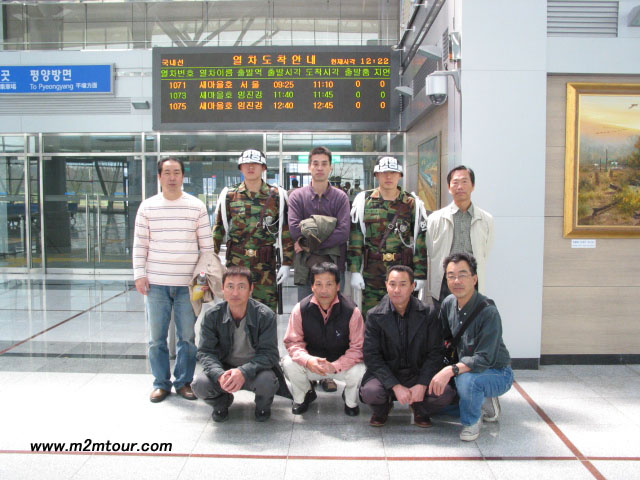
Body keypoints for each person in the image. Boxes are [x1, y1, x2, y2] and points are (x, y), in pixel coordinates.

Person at [133, 157, 214, 403]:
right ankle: (160, 383)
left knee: (187, 337)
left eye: (176, 172)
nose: (172, 177)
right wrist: (139, 274)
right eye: (167, 172)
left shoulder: (196, 206)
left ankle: (184, 382)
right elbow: (140, 244)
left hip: (189, 285)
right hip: (156, 283)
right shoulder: (147, 207)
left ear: (182, 176)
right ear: (159, 176)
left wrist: (203, 281)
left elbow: (207, 248)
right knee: (156, 338)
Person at [428, 253, 513, 441]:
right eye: (451, 276)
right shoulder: (449, 303)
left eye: (462, 275)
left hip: (496, 371)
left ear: (474, 279)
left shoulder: (488, 312)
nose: (456, 281)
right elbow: (442, 338)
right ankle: (480, 402)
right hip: (463, 367)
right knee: (432, 406)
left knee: (467, 381)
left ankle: (471, 421)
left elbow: (484, 358)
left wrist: (450, 370)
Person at [288, 146, 351, 393]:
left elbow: (343, 232)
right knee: (305, 319)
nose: (320, 167)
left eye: (324, 163)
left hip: (334, 269)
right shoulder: (297, 197)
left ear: (330, 167)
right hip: (306, 269)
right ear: (309, 167)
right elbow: (295, 229)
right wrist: (326, 230)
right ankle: (306, 372)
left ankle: (327, 373)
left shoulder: (340, 198)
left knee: (332, 321)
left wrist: (310, 241)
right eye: (315, 163)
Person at [360, 265, 455, 427]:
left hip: (417, 372)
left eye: (403, 284)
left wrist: (422, 384)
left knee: (444, 393)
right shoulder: (374, 315)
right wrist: (395, 385)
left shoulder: (428, 313)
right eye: (392, 284)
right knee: (371, 392)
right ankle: (382, 409)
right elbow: (371, 356)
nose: (397, 290)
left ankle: (420, 409)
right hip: (388, 373)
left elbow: (436, 352)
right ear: (386, 285)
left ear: (413, 286)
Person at [192, 266, 287, 422]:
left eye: (241, 287)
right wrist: (219, 374)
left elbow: (270, 354)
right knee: (200, 384)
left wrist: (243, 372)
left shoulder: (264, 315)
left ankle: (262, 407)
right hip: (224, 369)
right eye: (230, 286)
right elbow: (205, 352)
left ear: (251, 289)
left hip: (255, 370)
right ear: (223, 289)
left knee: (268, 382)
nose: (235, 293)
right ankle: (221, 403)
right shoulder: (212, 316)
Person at [213, 149, 293, 312]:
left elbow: (285, 231)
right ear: (240, 167)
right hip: (237, 264)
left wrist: (286, 263)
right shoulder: (229, 195)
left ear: (263, 168)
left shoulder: (277, 195)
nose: (250, 167)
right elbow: (218, 230)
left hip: (265, 266)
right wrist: (211, 262)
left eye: (255, 164)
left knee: (265, 313)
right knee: (235, 311)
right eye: (246, 164)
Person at [282, 262, 366, 416]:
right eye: (319, 284)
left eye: (329, 284)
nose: (324, 290)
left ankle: (350, 400)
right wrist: (308, 360)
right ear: (312, 286)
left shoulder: (352, 311)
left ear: (338, 286)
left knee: (359, 369)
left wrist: (335, 366)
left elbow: (358, 348)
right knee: (288, 363)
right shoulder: (300, 309)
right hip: (313, 365)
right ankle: (304, 395)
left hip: (341, 365)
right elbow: (293, 343)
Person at [349, 156, 428, 316]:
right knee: (371, 316)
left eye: (393, 172)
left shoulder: (412, 204)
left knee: (402, 315)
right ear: (376, 175)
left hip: (402, 272)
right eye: (384, 172)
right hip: (372, 272)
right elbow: (356, 238)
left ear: (400, 175)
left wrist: (420, 274)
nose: (388, 177)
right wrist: (355, 271)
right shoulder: (364, 201)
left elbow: (420, 240)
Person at [426, 165, 494, 307]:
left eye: (464, 182)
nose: (460, 187)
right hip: (445, 281)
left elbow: (485, 252)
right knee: (443, 319)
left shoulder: (486, 219)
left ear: (473, 186)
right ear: (449, 187)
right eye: (455, 182)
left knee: (472, 318)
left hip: (472, 281)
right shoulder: (435, 219)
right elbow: (431, 251)